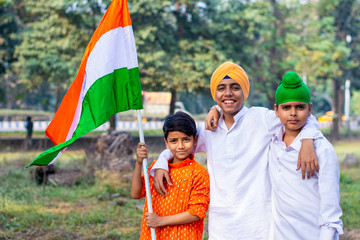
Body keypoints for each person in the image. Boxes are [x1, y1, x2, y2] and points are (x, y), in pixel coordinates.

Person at [151, 61, 321, 239]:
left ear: (244, 92)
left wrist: (307, 139)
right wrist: (162, 163)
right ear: (214, 93)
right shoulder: (209, 128)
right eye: (221, 88)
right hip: (221, 223)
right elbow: (180, 144)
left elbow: (303, 117)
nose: (228, 93)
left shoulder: (261, 118)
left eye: (235, 87)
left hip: (259, 222)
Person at [269, 72, 343, 239]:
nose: (293, 113)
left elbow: (331, 213)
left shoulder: (322, 150)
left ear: (310, 109)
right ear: (276, 110)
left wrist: (308, 138)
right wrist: (215, 109)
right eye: (286, 107)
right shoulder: (272, 141)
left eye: (300, 107)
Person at [131, 111, 210, 240]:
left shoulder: (198, 173)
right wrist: (139, 162)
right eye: (173, 141)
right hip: (155, 235)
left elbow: (196, 212)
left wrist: (160, 221)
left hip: (184, 235)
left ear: (195, 139)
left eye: (186, 140)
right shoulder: (157, 169)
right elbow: (135, 194)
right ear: (166, 142)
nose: (180, 146)